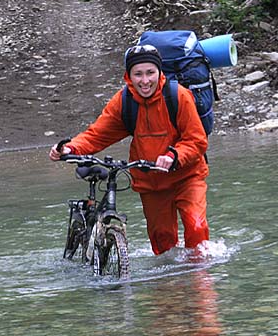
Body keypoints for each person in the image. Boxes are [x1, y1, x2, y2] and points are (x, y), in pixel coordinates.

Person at [48, 44, 210, 255]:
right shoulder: (124, 102)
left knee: (197, 229)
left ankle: (200, 283)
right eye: (138, 74)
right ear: (129, 75)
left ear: (159, 72)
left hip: (187, 177)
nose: (145, 81)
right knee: (163, 244)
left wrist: (174, 155)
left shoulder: (178, 96)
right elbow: (98, 134)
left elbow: (197, 140)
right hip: (151, 183)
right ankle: (170, 287)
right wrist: (69, 149)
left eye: (150, 73)